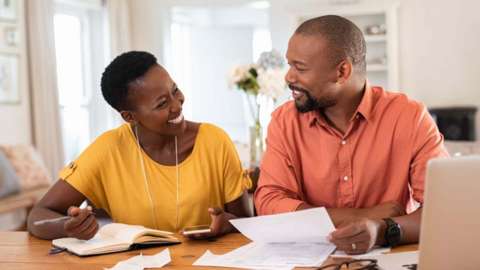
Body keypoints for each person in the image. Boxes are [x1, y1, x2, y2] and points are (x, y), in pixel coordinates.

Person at [254, 15, 449, 254]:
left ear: (342, 71)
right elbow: (269, 202)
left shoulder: (409, 117)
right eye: (289, 64)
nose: (288, 77)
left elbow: (442, 210)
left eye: (300, 68)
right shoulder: (284, 122)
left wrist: (382, 229)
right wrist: (363, 216)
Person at [28, 51, 251, 240]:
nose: (177, 105)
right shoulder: (108, 149)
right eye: (162, 103)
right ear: (129, 116)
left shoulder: (215, 141)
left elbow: (245, 223)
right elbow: (38, 215)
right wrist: (66, 227)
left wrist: (225, 224)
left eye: (174, 90)